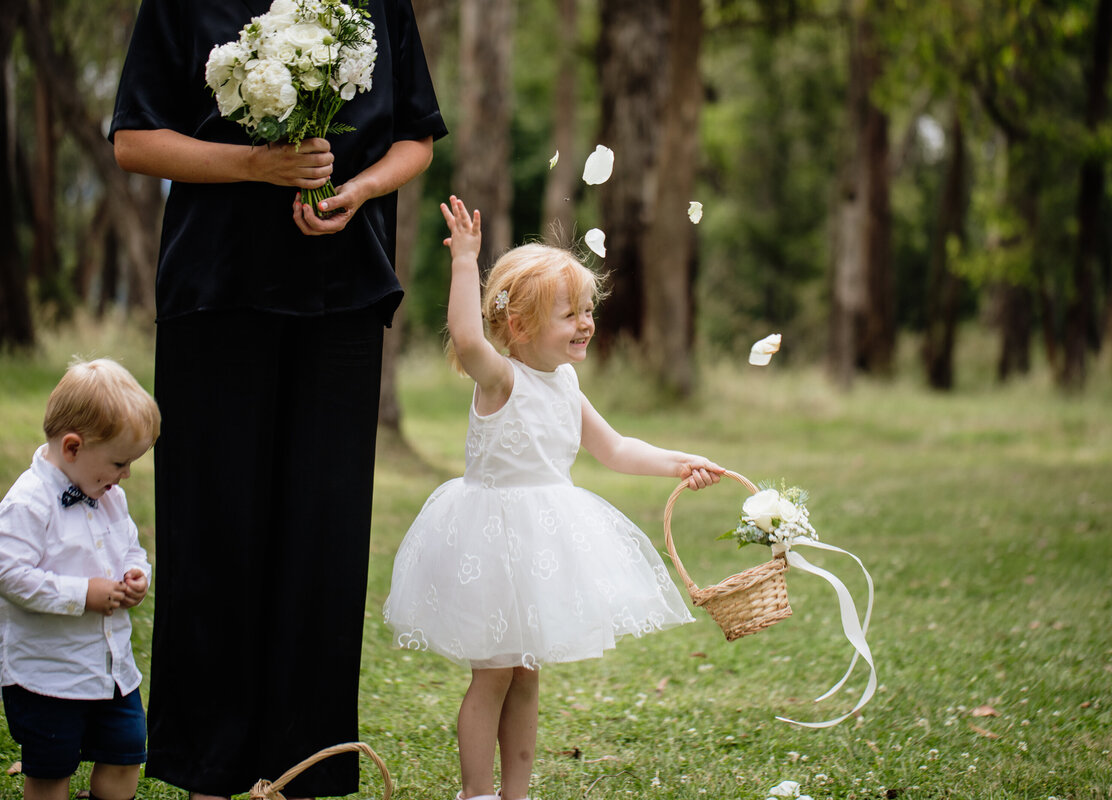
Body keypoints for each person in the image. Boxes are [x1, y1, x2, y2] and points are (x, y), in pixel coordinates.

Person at [107, 1, 447, 797]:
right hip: (215, 296)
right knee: (213, 539)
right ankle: (208, 771)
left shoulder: (372, 4)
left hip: (342, 304)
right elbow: (133, 140)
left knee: (323, 549)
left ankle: (306, 770)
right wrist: (255, 166)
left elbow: (416, 138)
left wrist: (357, 189)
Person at [383, 197, 724, 800]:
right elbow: (465, 337)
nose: (586, 323)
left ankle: (517, 792)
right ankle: (477, 793)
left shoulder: (565, 383)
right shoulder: (502, 380)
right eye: (569, 314)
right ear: (519, 326)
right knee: (491, 676)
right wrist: (466, 261)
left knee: (527, 675)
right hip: (490, 541)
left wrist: (679, 462)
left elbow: (615, 449)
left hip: (543, 545)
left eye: (587, 310)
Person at [0, 359, 160, 800]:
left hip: (111, 671)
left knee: (126, 754)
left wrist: (136, 574)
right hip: (49, 676)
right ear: (72, 448)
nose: (125, 474)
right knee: (51, 771)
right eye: (119, 462)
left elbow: (131, 547)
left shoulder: (110, 497)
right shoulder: (28, 504)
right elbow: (9, 573)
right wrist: (81, 594)